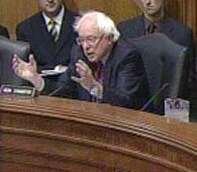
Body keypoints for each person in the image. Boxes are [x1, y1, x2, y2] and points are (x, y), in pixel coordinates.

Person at [12, 11, 150, 110]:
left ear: (109, 38)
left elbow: (126, 102)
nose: (85, 46)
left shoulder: (127, 56)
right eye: (82, 40)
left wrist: (94, 87)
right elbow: (64, 91)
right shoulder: (79, 54)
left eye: (91, 39)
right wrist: (36, 79)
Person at [118, 0, 197, 110]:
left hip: (168, 108)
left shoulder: (182, 33)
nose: (147, 2)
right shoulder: (125, 30)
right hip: (134, 106)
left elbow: (189, 80)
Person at [16, 0, 78, 71]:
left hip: (73, 83)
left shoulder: (80, 23)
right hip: (39, 83)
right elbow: (27, 66)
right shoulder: (25, 29)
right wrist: (57, 68)